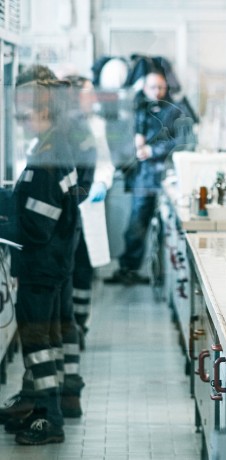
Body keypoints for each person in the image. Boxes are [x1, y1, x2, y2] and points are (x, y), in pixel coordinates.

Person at [5, 79, 80, 445]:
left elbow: (38, 223)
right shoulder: (54, 146)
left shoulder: (47, 158)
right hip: (52, 266)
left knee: (37, 342)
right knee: (45, 340)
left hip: (41, 266)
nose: (19, 121)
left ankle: (50, 418)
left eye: (24, 114)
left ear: (44, 114)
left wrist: (7, 219)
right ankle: (38, 407)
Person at [106, 69, 185, 285]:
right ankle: (129, 269)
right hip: (140, 176)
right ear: (144, 87)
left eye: (161, 87)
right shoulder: (134, 107)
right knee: (136, 224)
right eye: (153, 87)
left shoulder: (172, 111)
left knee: (155, 226)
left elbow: (177, 140)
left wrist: (151, 150)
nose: (157, 91)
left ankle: (159, 273)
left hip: (160, 175)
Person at [65, 75, 115, 341]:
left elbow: (106, 162)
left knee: (83, 267)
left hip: (88, 204)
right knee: (67, 268)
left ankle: (80, 326)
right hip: (66, 206)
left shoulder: (96, 125)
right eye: (88, 94)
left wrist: (102, 184)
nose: (93, 98)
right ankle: (68, 323)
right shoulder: (59, 125)